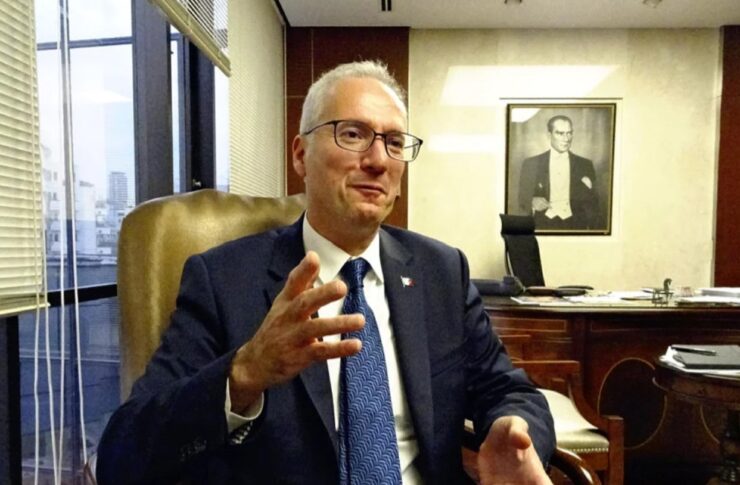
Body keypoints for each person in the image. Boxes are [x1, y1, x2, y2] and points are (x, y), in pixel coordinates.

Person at [96, 60, 555, 484]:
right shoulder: (223, 280)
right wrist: (245, 373)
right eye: (353, 134)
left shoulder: (441, 271)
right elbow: (124, 453)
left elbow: (507, 389)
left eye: (395, 142)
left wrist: (514, 429)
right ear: (301, 155)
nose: (378, 160)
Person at [518, 115, 598, 231]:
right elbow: (522, 198)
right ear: (549, 135)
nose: (566, 139)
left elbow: (593, 203)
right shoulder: (531, 163)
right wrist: (532, 201)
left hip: (576, 225)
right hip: (542, 224)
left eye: (569, 133)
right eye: (560, 133)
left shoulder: (585, 164)